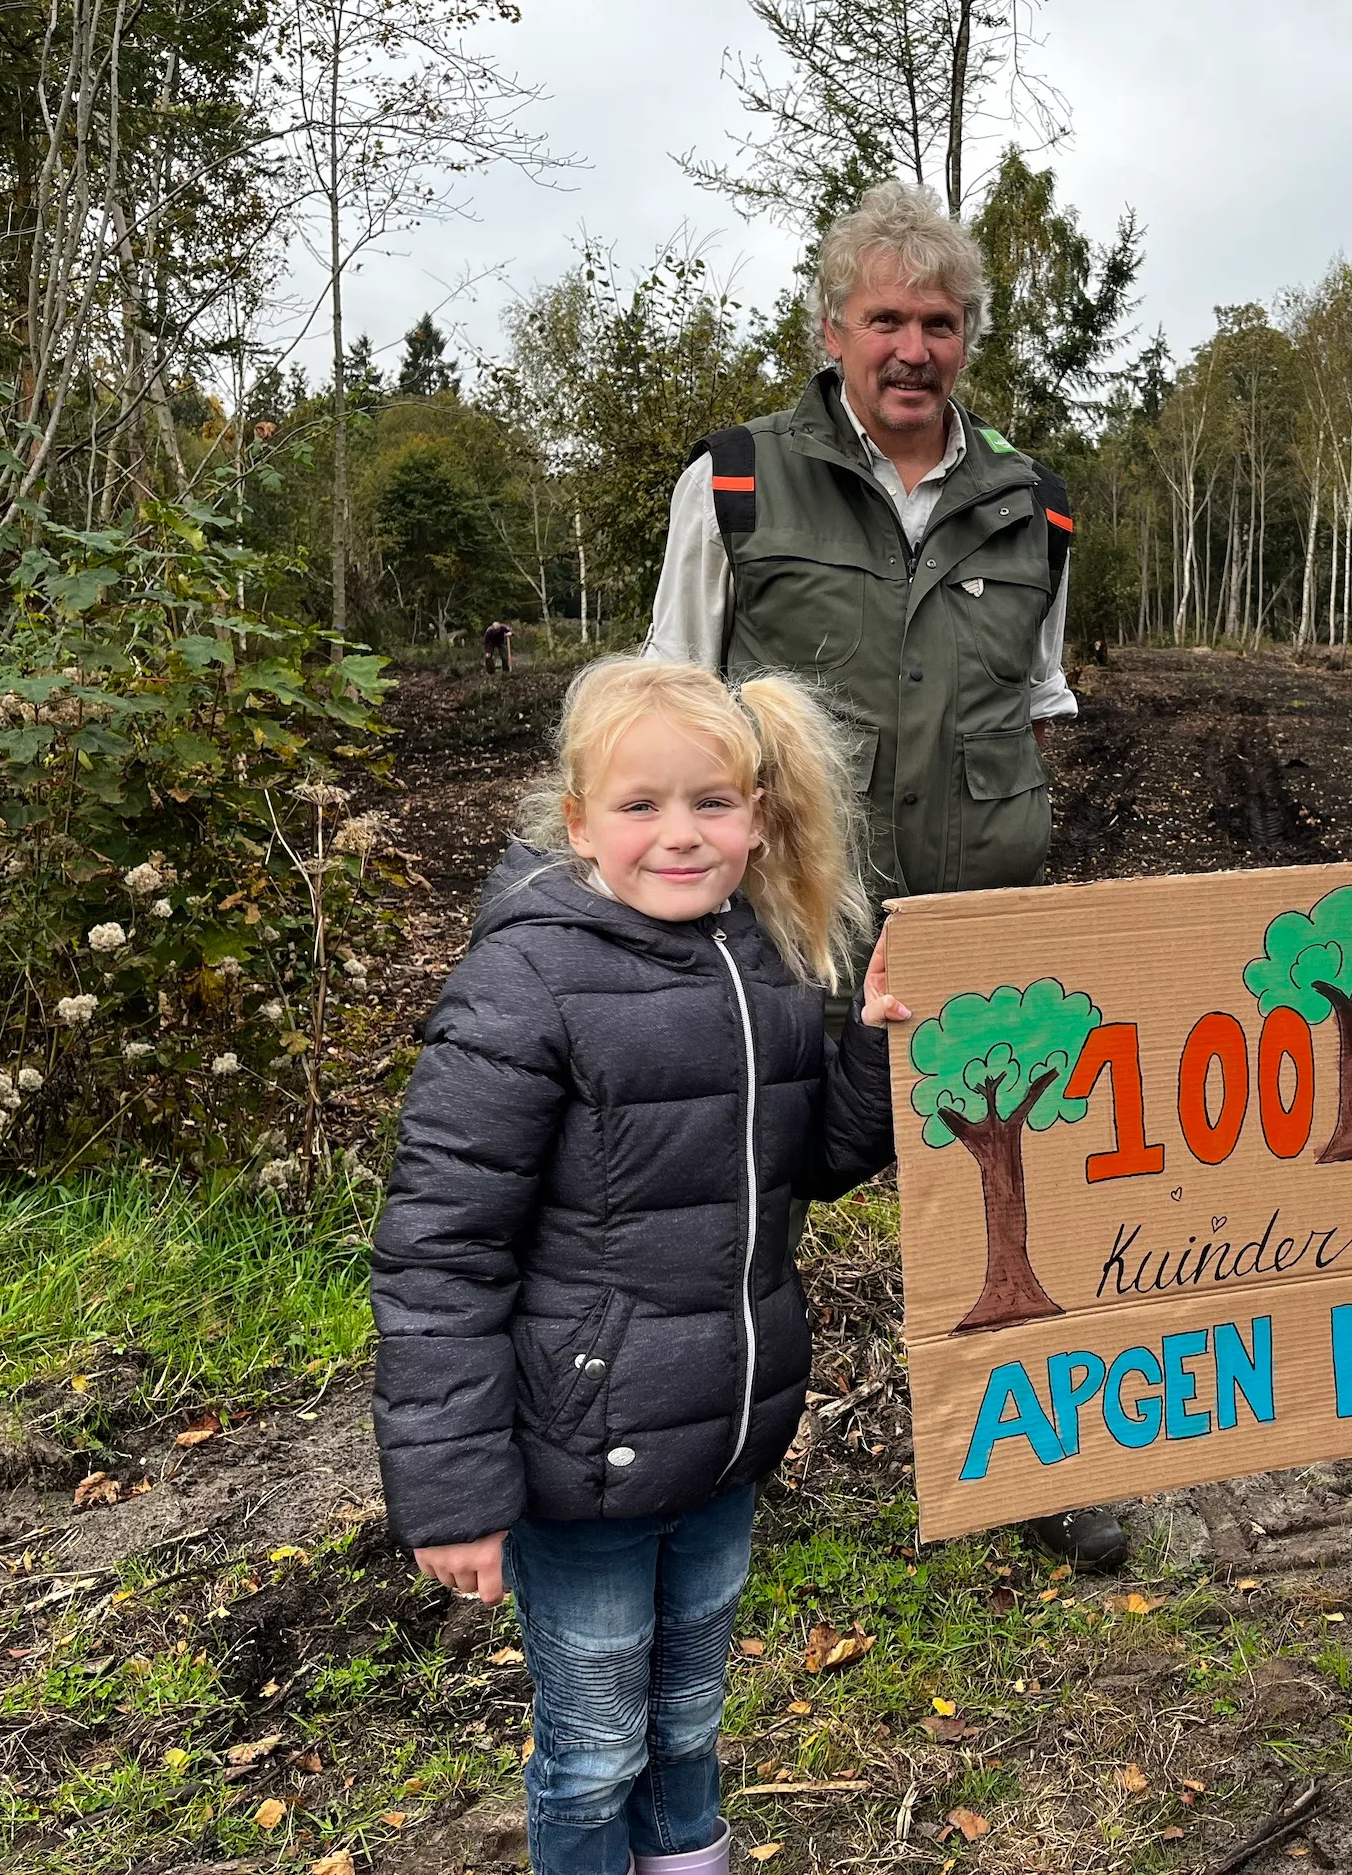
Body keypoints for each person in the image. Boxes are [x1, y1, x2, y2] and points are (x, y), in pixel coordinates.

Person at [643, 178, 1125, 1573]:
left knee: (1006, 1184)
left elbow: (1037, 694)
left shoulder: (1031, 504)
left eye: (939, 322)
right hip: (790, 910)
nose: (912, 349)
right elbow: (673, 692)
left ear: (969, 334)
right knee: (744, 1183)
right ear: (832, 329)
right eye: (884, 321)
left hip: (968, 916)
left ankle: (1035, 1462)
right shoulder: (736, 481)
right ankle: (716, 1462)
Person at [370, 657, 906, 1875]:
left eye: (712, 803)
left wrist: (871, 1049)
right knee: (597, 1743)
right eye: (640, 806)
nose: (681, 835)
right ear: (577, 822)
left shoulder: (762, 960)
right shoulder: (523, 988)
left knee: (690, 1720)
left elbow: (810, 1161)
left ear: (758, 816)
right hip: (583, 1455)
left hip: (720, 1439)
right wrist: (455, 1494)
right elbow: (440, 1254)